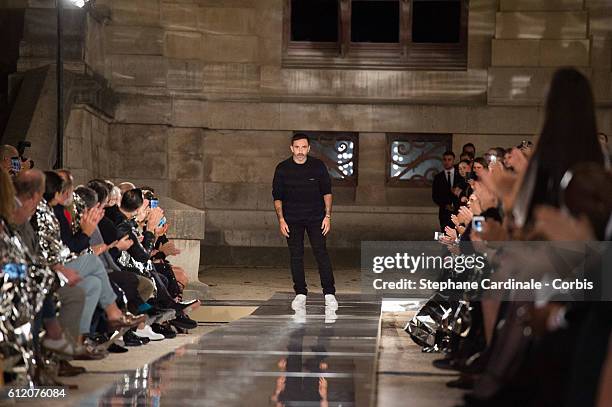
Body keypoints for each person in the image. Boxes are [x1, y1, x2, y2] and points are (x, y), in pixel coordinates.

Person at [272, 133, 338, 315]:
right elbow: (277, 197)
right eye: (297, 147)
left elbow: (327, 192)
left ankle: (329, 294)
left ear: (309, 148)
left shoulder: (317, 166)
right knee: (296, 256)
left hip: (316, 218)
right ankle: (300, 293)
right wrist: (281, 219)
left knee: (321, 253)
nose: (300, 151)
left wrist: (328, 216)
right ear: (291, 148)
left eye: (304, 147)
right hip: (292, 220)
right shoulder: (282, 168)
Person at [432, 151, 461, 230]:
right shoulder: (438, 177)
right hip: (444, 213)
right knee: (445, 235)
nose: (447, 162)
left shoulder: (459, 175)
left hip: (458, 211)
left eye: (449, 159)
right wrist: (445, 205)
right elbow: (435, 196)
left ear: (453, 160)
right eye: (445, 160)